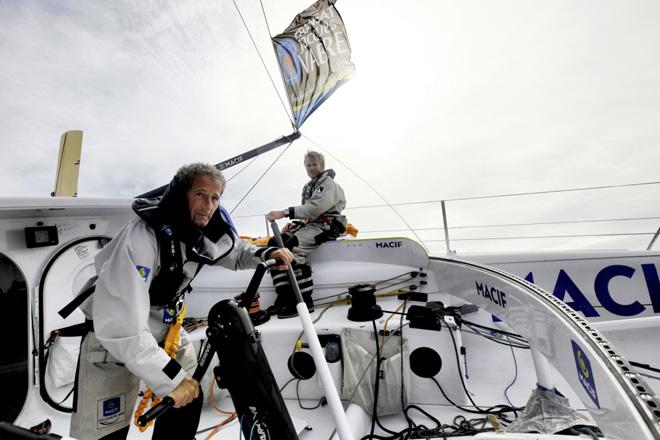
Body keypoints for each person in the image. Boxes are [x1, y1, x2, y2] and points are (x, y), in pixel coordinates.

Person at [69, 163, 294, 440]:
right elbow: (121, 326)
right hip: (111, 338)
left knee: (190, 397)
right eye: (200, 194)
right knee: (106, 431)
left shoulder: (202, 230)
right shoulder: (142, 237)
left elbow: (234, 252)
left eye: (215, 198)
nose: (208, 205)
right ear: (180, 195)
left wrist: (264, 254)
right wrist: (172, 381)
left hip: (166, 328)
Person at [265, 150, 347, 318]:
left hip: (327, 227)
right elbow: (308, 215)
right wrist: (294, 225)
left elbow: (315, 208)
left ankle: (303, 301)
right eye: (308, 165)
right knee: (274, 244)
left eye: (315, 164)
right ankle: (284, 297)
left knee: (292, 246)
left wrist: (285, 212)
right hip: (313, 224)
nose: (311, 168)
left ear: (322, 166)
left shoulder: (328, 184)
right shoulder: (309, 186)